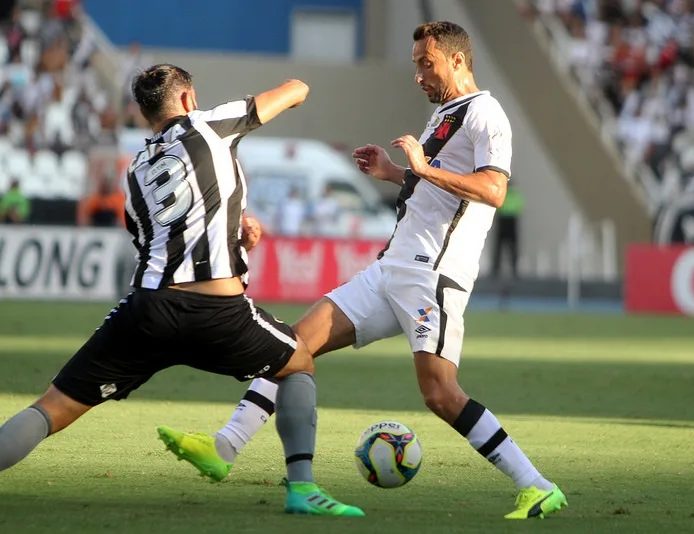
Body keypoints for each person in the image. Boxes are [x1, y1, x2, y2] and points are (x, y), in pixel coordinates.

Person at [0, 64, 363, 517]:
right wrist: (295, 89)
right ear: (187, 99)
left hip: (149, 309)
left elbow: (160, 242)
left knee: (52, 407)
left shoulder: (137, 169)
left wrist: (234, 237)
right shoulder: (208, 125)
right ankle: (302, 489)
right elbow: (295, 89)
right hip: (217, 312)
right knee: (299, 362)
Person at [160, 22, 567, 520]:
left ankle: (537, 484)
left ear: (458, 60)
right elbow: (433, 188)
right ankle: (224, 447)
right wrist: (393, 173)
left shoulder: (486, 113)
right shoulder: (444, 112)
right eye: (416, 62)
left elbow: (492, 191)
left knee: (440, 394)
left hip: (432, 273)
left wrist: (419, 166)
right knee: (291, 346)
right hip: (391, 266)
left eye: (426, 63)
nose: (418, 74)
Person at [492, 181, 524, 279]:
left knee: (505, 247)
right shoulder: (513, 196)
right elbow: (520, 207)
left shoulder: (504, 195)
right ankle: (499, 269)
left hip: (507, 220)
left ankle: (504, 269)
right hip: (507, 220)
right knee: (505, 247)